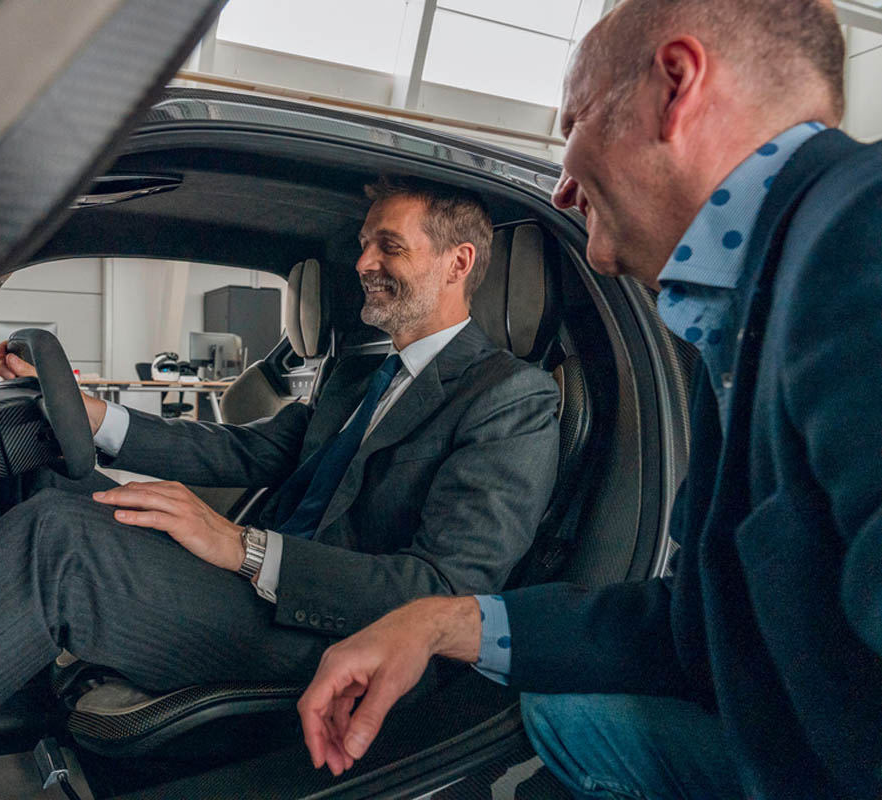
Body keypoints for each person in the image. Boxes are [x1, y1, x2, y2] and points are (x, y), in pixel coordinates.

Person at [0, 177, 561, 799]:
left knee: (60, 544)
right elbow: (243, 451)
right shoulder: (358, 380)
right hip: (253, 593)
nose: (362, 263)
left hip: (332, 637)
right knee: (27, 490)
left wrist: (244, 549)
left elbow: (445, 589)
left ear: (457, 263)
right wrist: (95, 417)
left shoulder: (508, 399)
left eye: (387, 246)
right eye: (363, 244)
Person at [296, 2, 882, 798]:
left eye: (572, 123)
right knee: (560, 717)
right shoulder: (744, 317)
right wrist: (438, 622)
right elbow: (699, 625)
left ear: (675, 86)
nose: (563, 187)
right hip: (791, 735)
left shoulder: (859, 234)